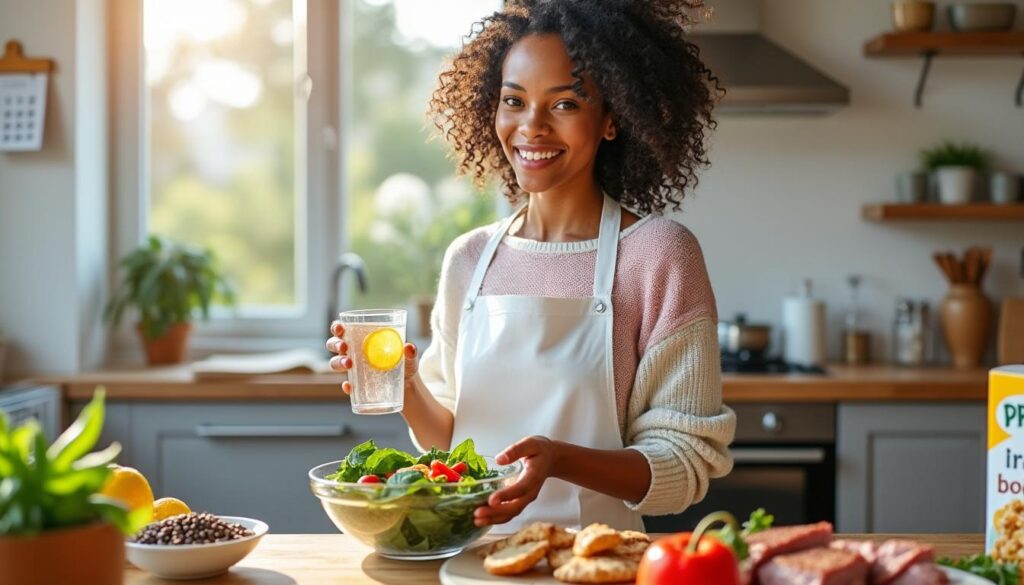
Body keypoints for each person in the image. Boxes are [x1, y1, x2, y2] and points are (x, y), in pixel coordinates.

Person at [327, 0, 735, 533]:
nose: (531, 127)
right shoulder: (469, 260)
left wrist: (559, 461)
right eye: (513, 101)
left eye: (564, 104)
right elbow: (451, 444)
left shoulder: (658, 254)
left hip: (594, 561)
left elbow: (683, 466)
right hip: (473, 560)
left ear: (612, 118)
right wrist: (405, 389)